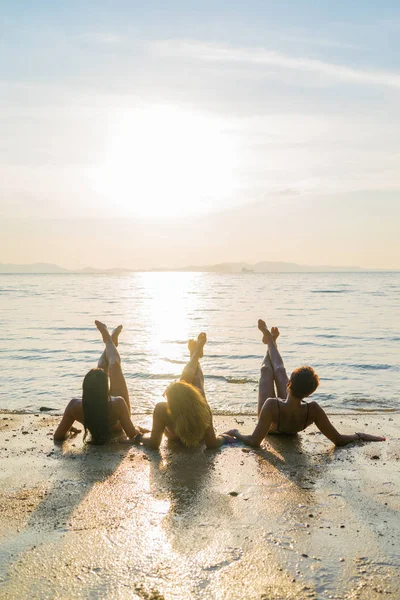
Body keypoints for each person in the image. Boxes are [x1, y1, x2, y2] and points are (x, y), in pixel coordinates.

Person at [226, 319, 386, 448]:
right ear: (309, 393)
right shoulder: (313, 409)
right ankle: (271, 342)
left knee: (267, 372)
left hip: (272, 424)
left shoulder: (270, 405)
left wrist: (236, 432)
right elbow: (338, 439)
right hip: (289, 420)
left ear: (290, 383)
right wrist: (361, 436)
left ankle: (270, 341)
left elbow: (255, 441)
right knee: (279, 370)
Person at [130, 332, 233, 449]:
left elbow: (154, 443)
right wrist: (224, 437)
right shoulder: (203, 409)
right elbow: (212, 444)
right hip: (195, 422)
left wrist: (139, 437)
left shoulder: (162, 409)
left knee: (185, 381)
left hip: (176, 432)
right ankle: (195, 355)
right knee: (194, 383)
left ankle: (194, 355)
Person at [54, 320, 144, 443]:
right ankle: (109, 340)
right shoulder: (118, 404)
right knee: (114, 365)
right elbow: (132, 435)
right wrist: (134, 436)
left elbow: (58, 436)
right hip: (117, 424)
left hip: (102, 408)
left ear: (85, 388)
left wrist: (69, 429)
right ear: (106, 388)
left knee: (102, 366)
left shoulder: (74, 406)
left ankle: (110, 341)